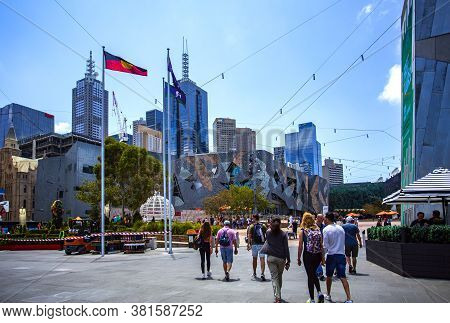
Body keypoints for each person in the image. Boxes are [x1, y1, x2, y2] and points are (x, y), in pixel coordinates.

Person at [323, 212, 352, 303]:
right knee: (343, 277)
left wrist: (322, 258)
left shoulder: (326, 229)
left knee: (329, 276)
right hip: (341, 255)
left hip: (331, 255)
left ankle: (328, 294)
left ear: (327, 219)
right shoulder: (341, 228)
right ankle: (349, 298)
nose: (324, 220)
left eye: (324, 218)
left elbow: (325, 245)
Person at [261, 218, 290, 303]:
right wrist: (289, 260)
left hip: (271, 258)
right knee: (279, 276)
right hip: (281, 258)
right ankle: (278, 294)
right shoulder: (284, 234)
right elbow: (286, 248)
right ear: (280, 224)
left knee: (274, 277)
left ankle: (277, 295)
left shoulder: (268, 232)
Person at [297, 213, 325, 303]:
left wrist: (298, 258)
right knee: (313, 274)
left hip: (308, 255)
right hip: (317, 255)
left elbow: (300, 246)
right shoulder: (318, 230)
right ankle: (319, 292)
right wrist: (322, 258)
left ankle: (312, 299)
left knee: (310, 276)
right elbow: (321, 245)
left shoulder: (302, 231)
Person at [247, 214, 267, 281]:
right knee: (262, 259)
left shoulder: (252, 226)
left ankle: (254, 273)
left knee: (254, 259)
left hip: (254, 244)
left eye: (253, 218)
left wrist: (248, 244)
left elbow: (249, 236)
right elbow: (266, 234)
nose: (252, 219)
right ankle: (262, 273)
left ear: (255, 218)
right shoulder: (263, 225)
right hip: (262, 244)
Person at [315, 214, 326, 281]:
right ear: (317, 218)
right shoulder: (313, 226)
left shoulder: (324, 226)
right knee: (318, 260)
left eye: (323, 218)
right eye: (321, 218)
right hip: (316, 246)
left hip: (323, 245)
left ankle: (318, 272)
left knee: (323, 259)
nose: (323, 219)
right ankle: (320, 273)